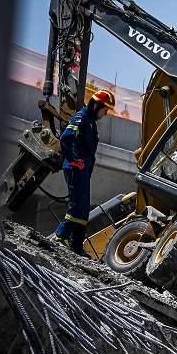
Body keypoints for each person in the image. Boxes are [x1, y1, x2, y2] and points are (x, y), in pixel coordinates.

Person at [53, 89, 115, 258]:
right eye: (105, 109)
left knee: (83, 209)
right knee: (77, 205)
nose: (106, 114)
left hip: (83, 170)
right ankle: (60, 237)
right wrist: (73, 159)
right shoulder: (81, 118)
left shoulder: (90, 122)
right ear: (97, 106)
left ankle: (76, 244)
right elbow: (66, 138)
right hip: (76, 169)